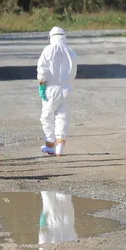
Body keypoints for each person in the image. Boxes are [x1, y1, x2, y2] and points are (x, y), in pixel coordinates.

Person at [36, 27, 78, 157]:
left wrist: (41, 85)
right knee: (63, 116)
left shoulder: (48, 50)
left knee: (47, 117)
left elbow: (42, 69)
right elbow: (74, 72)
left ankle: (50, 145)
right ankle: (60, 146)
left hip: (51, 88)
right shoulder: (70, 52)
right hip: (67, 89)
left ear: (51, 37)